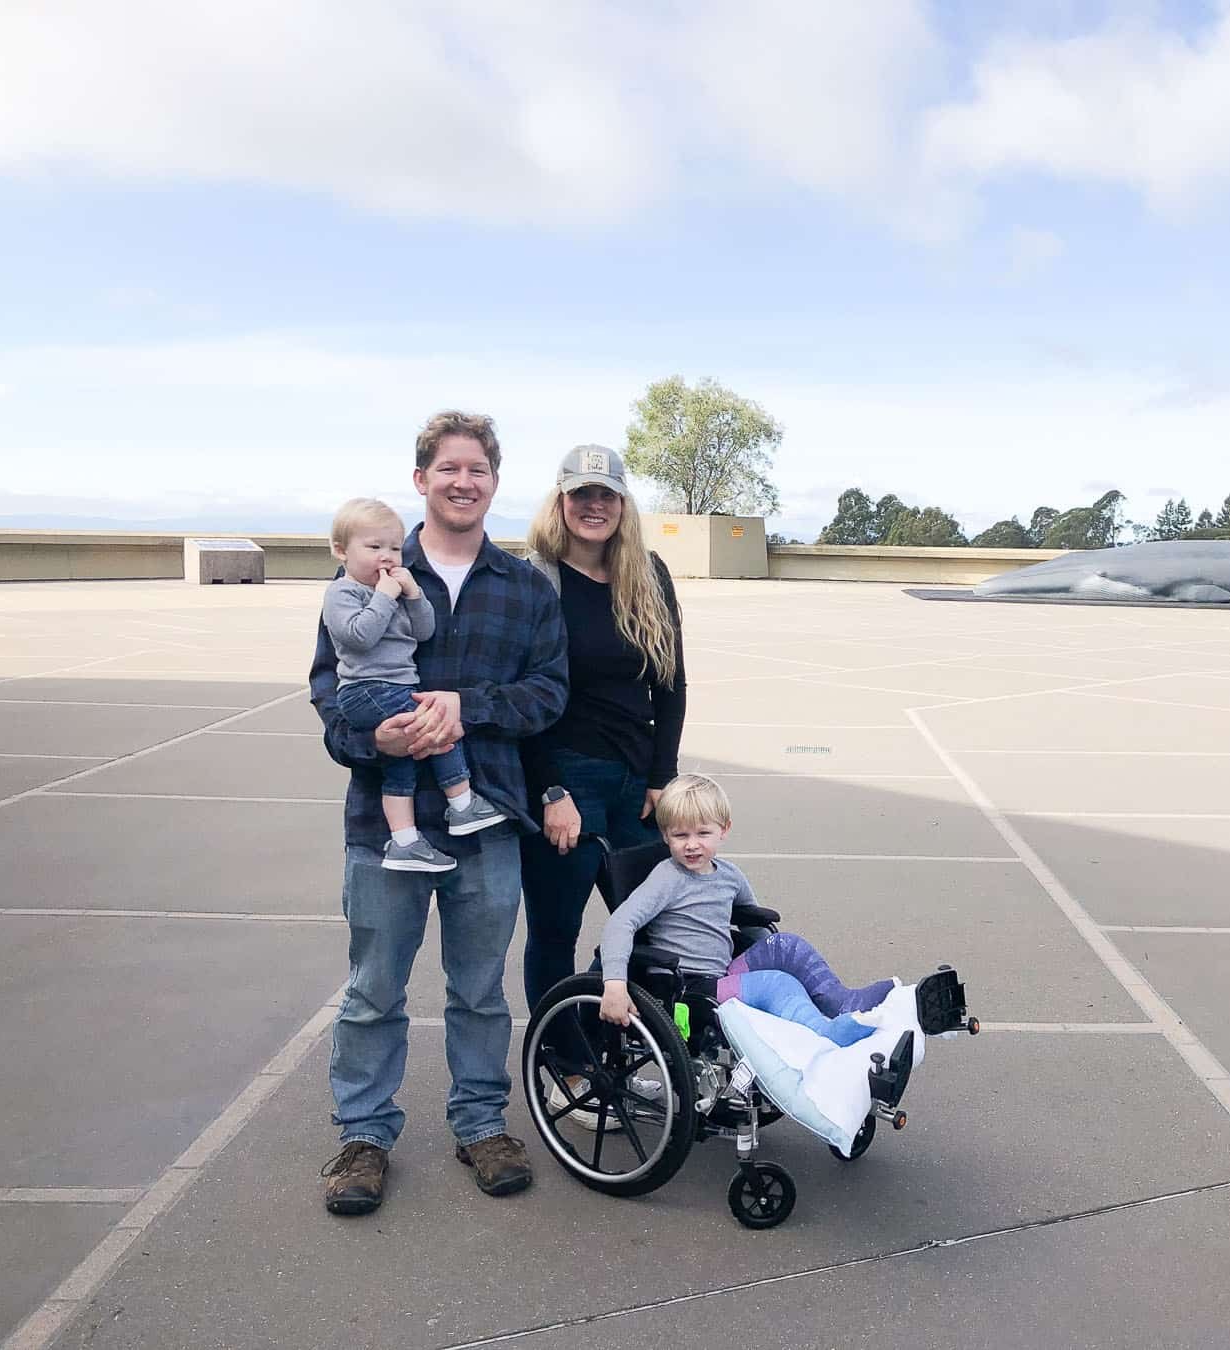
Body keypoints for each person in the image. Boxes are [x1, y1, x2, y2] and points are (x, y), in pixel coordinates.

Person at [309, 411, 568, 1217]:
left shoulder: (524, 588)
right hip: (384, 825)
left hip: (485, 814)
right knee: (374, 989)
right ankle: (363, 1136)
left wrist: (470, 706)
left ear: (495, 482)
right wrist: (371, 732)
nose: (464, 481)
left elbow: (549, 695)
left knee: (481, 989)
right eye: (448, 468)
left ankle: (481, 1123)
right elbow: (326, 690)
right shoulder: (369, 567)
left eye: (478, 470)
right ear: (421, 479)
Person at [518, 445, 686, 1036]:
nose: (594, 505)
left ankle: (594, 1030)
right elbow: (523, 698)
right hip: (565, 777)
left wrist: (661, 778)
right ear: (560, 500)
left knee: (656, 917)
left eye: (606, 494)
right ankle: (562, 1060)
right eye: (581, 494)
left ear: (622, 503)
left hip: (634, 781)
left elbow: (671, 685)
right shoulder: (535, 579)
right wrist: (549, 789)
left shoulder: (650, 573)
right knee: (555, 931)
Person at [598, 774, 894, 1047]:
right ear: (665, 836)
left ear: (724, 830)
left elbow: (753, 922)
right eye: (680, 836)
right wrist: (614, 985)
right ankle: (826, 1036)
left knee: (785, 944)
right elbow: (621, 923)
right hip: (685, 986)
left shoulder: (729, 875)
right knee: (777, 984)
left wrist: (770, 957)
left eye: (703, 833)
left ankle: (843, 1003)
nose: (691, 845)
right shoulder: (667, 877)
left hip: (721, 971)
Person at [321, 497, 506, 872]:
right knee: (433, 723)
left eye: (393, 547)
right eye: (374, 548)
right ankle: (462, 801)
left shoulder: (394, 588)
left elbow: (424, 631)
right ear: (341, 551)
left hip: (395, 688)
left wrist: (413, 594)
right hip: (367, 689)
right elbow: (360, 636)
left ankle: (404, 841)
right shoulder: (342, 593)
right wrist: (385, 597)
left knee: (401, 762)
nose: (387, 557)